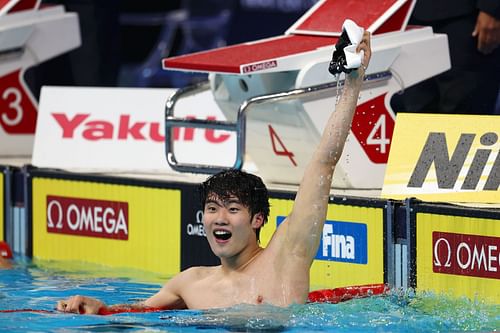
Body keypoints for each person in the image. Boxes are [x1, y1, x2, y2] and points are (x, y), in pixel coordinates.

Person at [56, 31, 372, 314]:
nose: (219, 218)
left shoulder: (285, 255)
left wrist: (352, 85)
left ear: (257, 219)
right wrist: (101, 309)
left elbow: (323, 164)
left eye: (233, 209)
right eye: (212, 209)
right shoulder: (191, 284)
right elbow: (135, 314)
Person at [392, 0, 500, 115]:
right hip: (405, 17)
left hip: (467, 18)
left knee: (464, 112)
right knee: (416, 111)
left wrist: (493, 9)